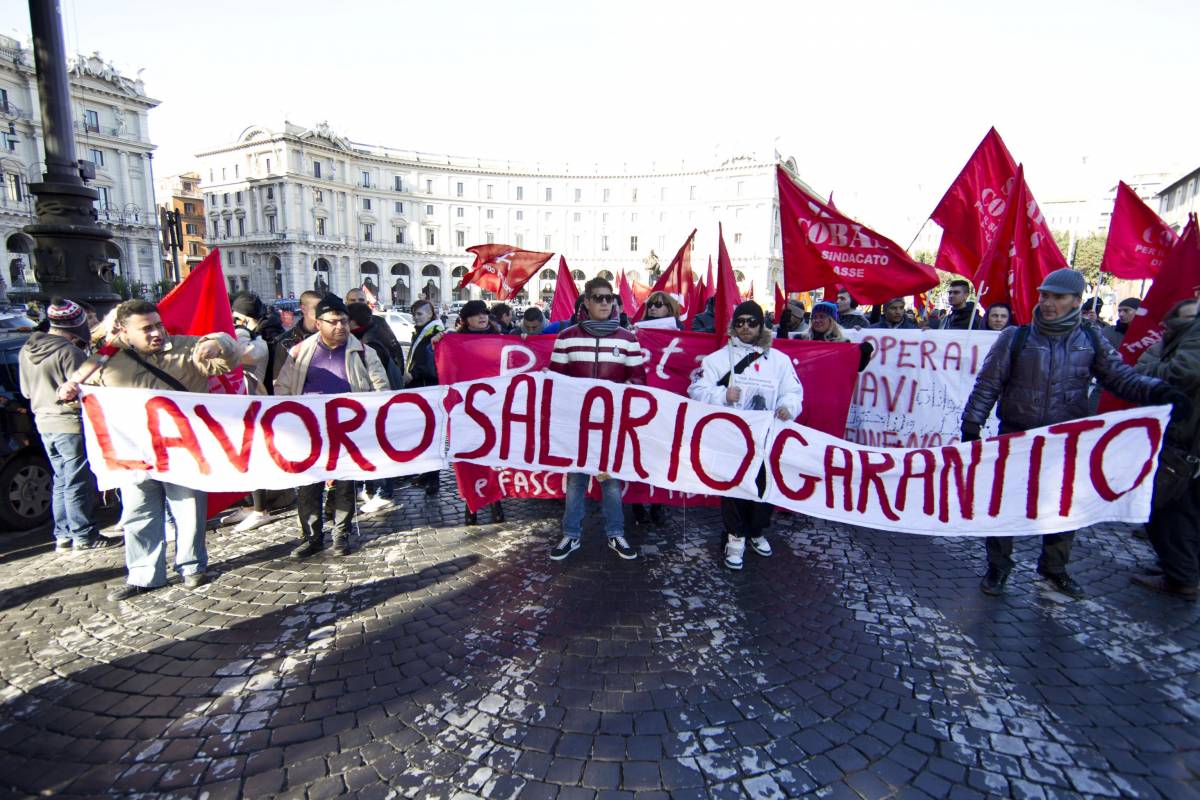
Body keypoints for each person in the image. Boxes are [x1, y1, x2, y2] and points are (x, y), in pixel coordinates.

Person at [961, 268, 1183, 599]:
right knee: (1003, 506)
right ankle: (998, 568)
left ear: (1077, 301)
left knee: (1064, 509)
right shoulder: (1016, 337)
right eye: (1044, 296)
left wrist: (1159, 392)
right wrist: (971, 423)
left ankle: (1054, 571)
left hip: (1066, 440)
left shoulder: (1092, 338)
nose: (1048, 303)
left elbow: (1121, 378)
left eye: (1058, 297)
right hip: (1016, 437)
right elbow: (988, 384)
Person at [60, 299, 241, 600]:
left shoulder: (188, 349)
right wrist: (69, 391)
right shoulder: (107, 360)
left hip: (183, 451)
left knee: (188, 509)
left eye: (158, 325)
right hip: (136, 454)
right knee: (138, 512)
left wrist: (217, 342)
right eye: (146, 329)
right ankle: (145, 574)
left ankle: (192, 566)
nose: (157, 332)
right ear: (123, 331)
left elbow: (231, 357)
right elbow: (81, 392)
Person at [689, 301, 802, 569]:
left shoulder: (779, 360)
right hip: (733, 438)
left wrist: (789, 407)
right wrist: (721, 395)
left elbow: (792, 391)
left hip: (767, 436)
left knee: (763, 487)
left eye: (752, 322)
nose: (745, 327)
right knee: (735, 488)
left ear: (761, 325)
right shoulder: (718, 359)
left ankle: (757, 531)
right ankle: (735, 537)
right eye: (740, 322)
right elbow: (696, 389)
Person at [275, 294, 390, 557]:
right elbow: (283, 388)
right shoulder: (299, 352)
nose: (341, 327)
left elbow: (382, 389)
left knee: (344, 485)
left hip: (347, 431)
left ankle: (341, 534)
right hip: (309, 431)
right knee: (308, 484)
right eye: (334, 322)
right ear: (319, 323)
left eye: (344, 322)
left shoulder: (363, 352)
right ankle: (311, 536)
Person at [548, 278, 646, 561]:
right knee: (576, 480)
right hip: (576, 425)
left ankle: (616, 533)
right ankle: (571, 535)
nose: (605, 302)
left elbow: (639, 381)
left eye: (609, 298)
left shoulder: (628, 339)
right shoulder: (566, 337)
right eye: (598, 298)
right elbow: (555, 381)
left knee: (611, 482)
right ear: (587, 302)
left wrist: (620, 395)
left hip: (611, 424)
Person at [18, 298, 115, 551]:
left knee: (61, 480)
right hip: (70, 422)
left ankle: (63, 535)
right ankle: (85, 535)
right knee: (77, 481)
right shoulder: (68, 352)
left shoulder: (26, 349)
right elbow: (86, 389)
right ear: (76, 325)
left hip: (43, 421)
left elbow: (26, 392)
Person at [1132, 297, 1200, 600]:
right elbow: (1141, 366)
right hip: (1177, 436)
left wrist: (1155, 368)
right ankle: (1178, 566)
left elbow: (1173, 373)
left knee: (1171, 509)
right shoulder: (1173, 342)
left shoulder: (1191, 340)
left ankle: (1182, 577)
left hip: (1185, 440)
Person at [223, 292, 290, 533]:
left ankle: (260, 508)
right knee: (240, 457)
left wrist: (238, 334)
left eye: (235, 317)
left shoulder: (259, 340)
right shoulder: (252, 336)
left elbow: (245, 355)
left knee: (253, 456)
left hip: (256, 404)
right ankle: (250, 504)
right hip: (236, 406)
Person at [347, 301, 404, 514]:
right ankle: (372, 488)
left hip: (375, 406)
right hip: (374, 405)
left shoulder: (369, 343)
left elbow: (378, 380)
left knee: (378, 449)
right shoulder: (374, 332)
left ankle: (383, 492)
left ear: (352, 322)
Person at [453, 300, 506, 523]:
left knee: (493, 456)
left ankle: (495, 502)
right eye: (476, 315)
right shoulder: (454, 342)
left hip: (494, 407)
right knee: (468, 459)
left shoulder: (501, 339)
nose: (482, 317)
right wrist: (437, 341)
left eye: (484, 313)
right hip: (465, 410)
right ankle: (471, 505)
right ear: (466, 320)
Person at [406, 299, 443, 496]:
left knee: (431, 435)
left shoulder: (435, 333)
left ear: (430, 315)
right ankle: (427, 473)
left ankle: (433, 479)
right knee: (423, 433)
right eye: (415, 314)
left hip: (428, 386)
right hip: (421, 387)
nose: (416, 317)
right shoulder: (422, 331)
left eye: (420, 314)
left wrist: (414, 373)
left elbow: (430, 362)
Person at [345, 287, 405, 377]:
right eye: (353, 300)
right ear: (346, 303)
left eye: (361, 300)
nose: (357, 302)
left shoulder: (379, 322)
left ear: (366, 302)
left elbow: (395, 348)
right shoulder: (342, 324)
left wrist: (400, 373)